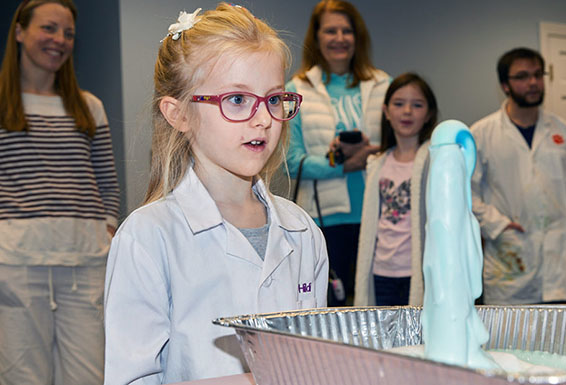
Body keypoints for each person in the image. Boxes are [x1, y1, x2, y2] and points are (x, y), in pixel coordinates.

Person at [103, 4, 328, 383]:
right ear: (179, 114)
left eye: (273, 99)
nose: (263, 119)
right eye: (237, 100)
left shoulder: (303, 231)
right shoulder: (147, 237)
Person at [0, 1, 120, 384]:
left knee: (90, 375)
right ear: (19, 31)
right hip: (16, 260)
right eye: (49, 28)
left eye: (68, 33)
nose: (60, 40)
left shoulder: (89, 107)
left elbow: (107, 181)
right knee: (23, 376)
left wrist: (109, 227)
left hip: (84, 260)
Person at [470, 48, 566, 305]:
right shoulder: (481, 134)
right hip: (509, 260)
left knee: (557, 338)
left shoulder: (564, 132)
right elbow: (466, 193)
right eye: (523, 76)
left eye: (538, 75)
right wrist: (497, 225)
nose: (533, 83)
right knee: (507, 339)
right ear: (505, 85)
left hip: (557, 260)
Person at [286, 0, 390, 306]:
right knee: (330, 307)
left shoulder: (383, 85)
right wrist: (340, 164)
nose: (340, 38)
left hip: (381, 214)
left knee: (380, 305)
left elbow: (402, 148)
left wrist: (371, 154)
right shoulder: (296, 89)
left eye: (347, 30)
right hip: (324, 221)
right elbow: (291, 163)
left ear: (358, 37)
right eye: (331, 30)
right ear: (316, 37)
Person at [354, 73, 438, 306]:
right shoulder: (377, 162)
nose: (407, 111)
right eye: (399, 104)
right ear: (386, 111)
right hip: (382, 270)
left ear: (429, 113)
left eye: (417, 105)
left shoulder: (435, 161)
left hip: (417, 269)